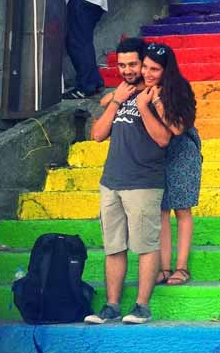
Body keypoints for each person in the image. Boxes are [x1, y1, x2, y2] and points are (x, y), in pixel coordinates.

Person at [85, 37, 171, 325]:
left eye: (133, 64)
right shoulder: (119, 94)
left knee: (146, 245)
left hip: (144, 181)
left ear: (144, 63)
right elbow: (97, 134)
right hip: (111, 181)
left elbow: (164, 139)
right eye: (122, 65)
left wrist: (143, 100)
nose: (128, 70)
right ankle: (111, 306)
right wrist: (116, 100)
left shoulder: (158, 94)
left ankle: (142, 306)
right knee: (113, 247)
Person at [139, 43, 201, 287]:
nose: (147, 73)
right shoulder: (141, 89)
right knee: (161, 210)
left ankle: (181, 268)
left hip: (183, 152)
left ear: (166, 70)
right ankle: (164, 268)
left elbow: (177, 128)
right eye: (145, 66)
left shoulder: (179, 89)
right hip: (156, 154)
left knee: (181, 209)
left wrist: (156, 102)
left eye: (154, 69)